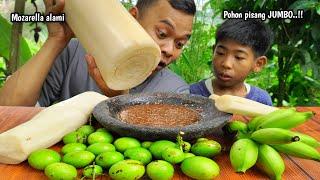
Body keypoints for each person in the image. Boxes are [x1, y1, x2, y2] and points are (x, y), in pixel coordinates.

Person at [0, 0, 196, 106]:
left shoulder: (176, 92)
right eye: (162, 33)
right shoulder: (73, 53)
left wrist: (120, 100)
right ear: (132, 19)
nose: (169, 50)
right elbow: (7, 110)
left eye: (180, 44)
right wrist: (55, 40)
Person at [190, 19, 273, 106]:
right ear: (214, 50)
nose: (226, 64)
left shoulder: (261, 101)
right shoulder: (191, 93)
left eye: (238, 57)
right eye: (220, 53)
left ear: (258, 64)